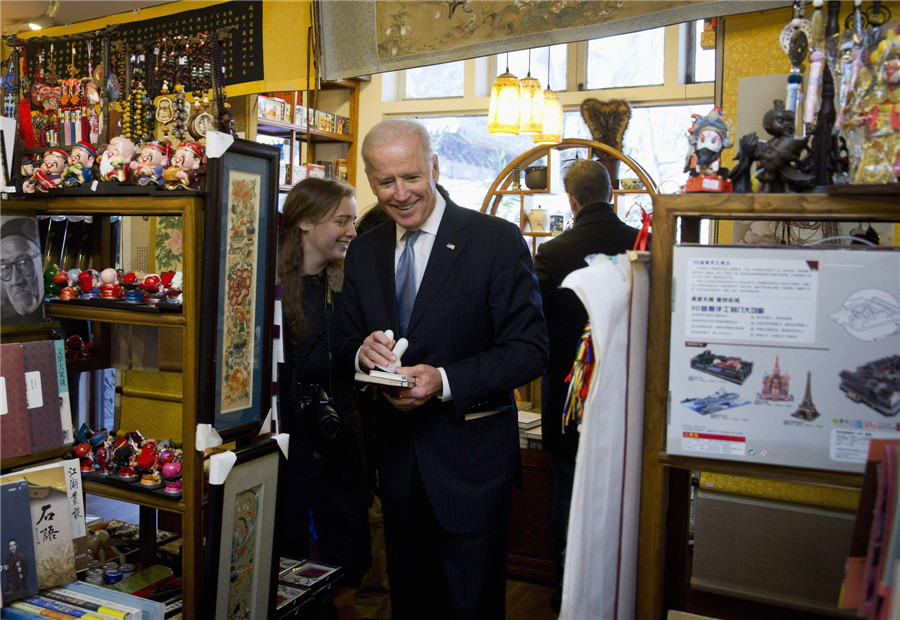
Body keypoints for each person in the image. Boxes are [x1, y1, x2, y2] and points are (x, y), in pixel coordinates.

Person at [339, 118, 548, 619]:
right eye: (386, 182)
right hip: (397, 471)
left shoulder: (494, 240)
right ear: (370, 180)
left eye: (411, 177)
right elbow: (342, 342)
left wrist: (445, 381)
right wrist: (358, 353)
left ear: (434, 167)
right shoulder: (364, 251)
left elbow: (530, 349)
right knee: (411, 605)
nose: (401, 193)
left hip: (471, 470)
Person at [532, 158, 642, 611]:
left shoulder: (552, 252)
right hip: (630, 391)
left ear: (570, 199)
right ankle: (627, 589)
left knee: (567, 492)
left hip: (567, 394)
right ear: (612, 191)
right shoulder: (642, 242)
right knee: (626, 491)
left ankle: (569, 591)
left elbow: (536, 326)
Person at [274, 177, 372, 590]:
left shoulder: (348, 284)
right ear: (306, 223)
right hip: (285, 446)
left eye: (352, 221)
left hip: (338, 444)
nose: (352, 231)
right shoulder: (270, 286)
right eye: (341, 221)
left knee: (343, 555)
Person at [0, 217, 45, 325]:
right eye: (5, 267)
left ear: (42, 262)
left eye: (23, 263)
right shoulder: (7, 323)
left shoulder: (63, 316)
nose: (15, 280)